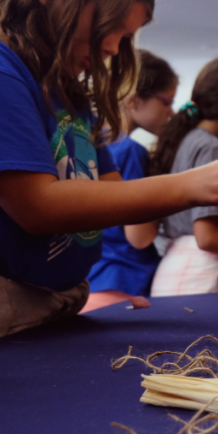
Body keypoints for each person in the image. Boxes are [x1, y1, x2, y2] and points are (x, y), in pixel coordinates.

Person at [0, 0, 218, 339]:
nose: (114, 47)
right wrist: (190, 186)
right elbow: (37, 205)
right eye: (110, 27)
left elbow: (112, 194)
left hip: (63, 298)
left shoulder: (65, 90)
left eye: (126, 36)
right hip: (8, 305)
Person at [86, 49, 178, 300]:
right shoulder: (129, 150)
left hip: (95, 274)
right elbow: (140, 237)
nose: (171, 113)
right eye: (166, 102)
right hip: (126, 276)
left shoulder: (88, 143)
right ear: (133, 100)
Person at [149, 56, 218, 296]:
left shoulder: (187, 139)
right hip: (200, 274)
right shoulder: (211, 148)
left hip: (176, 270)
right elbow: (207, 237)